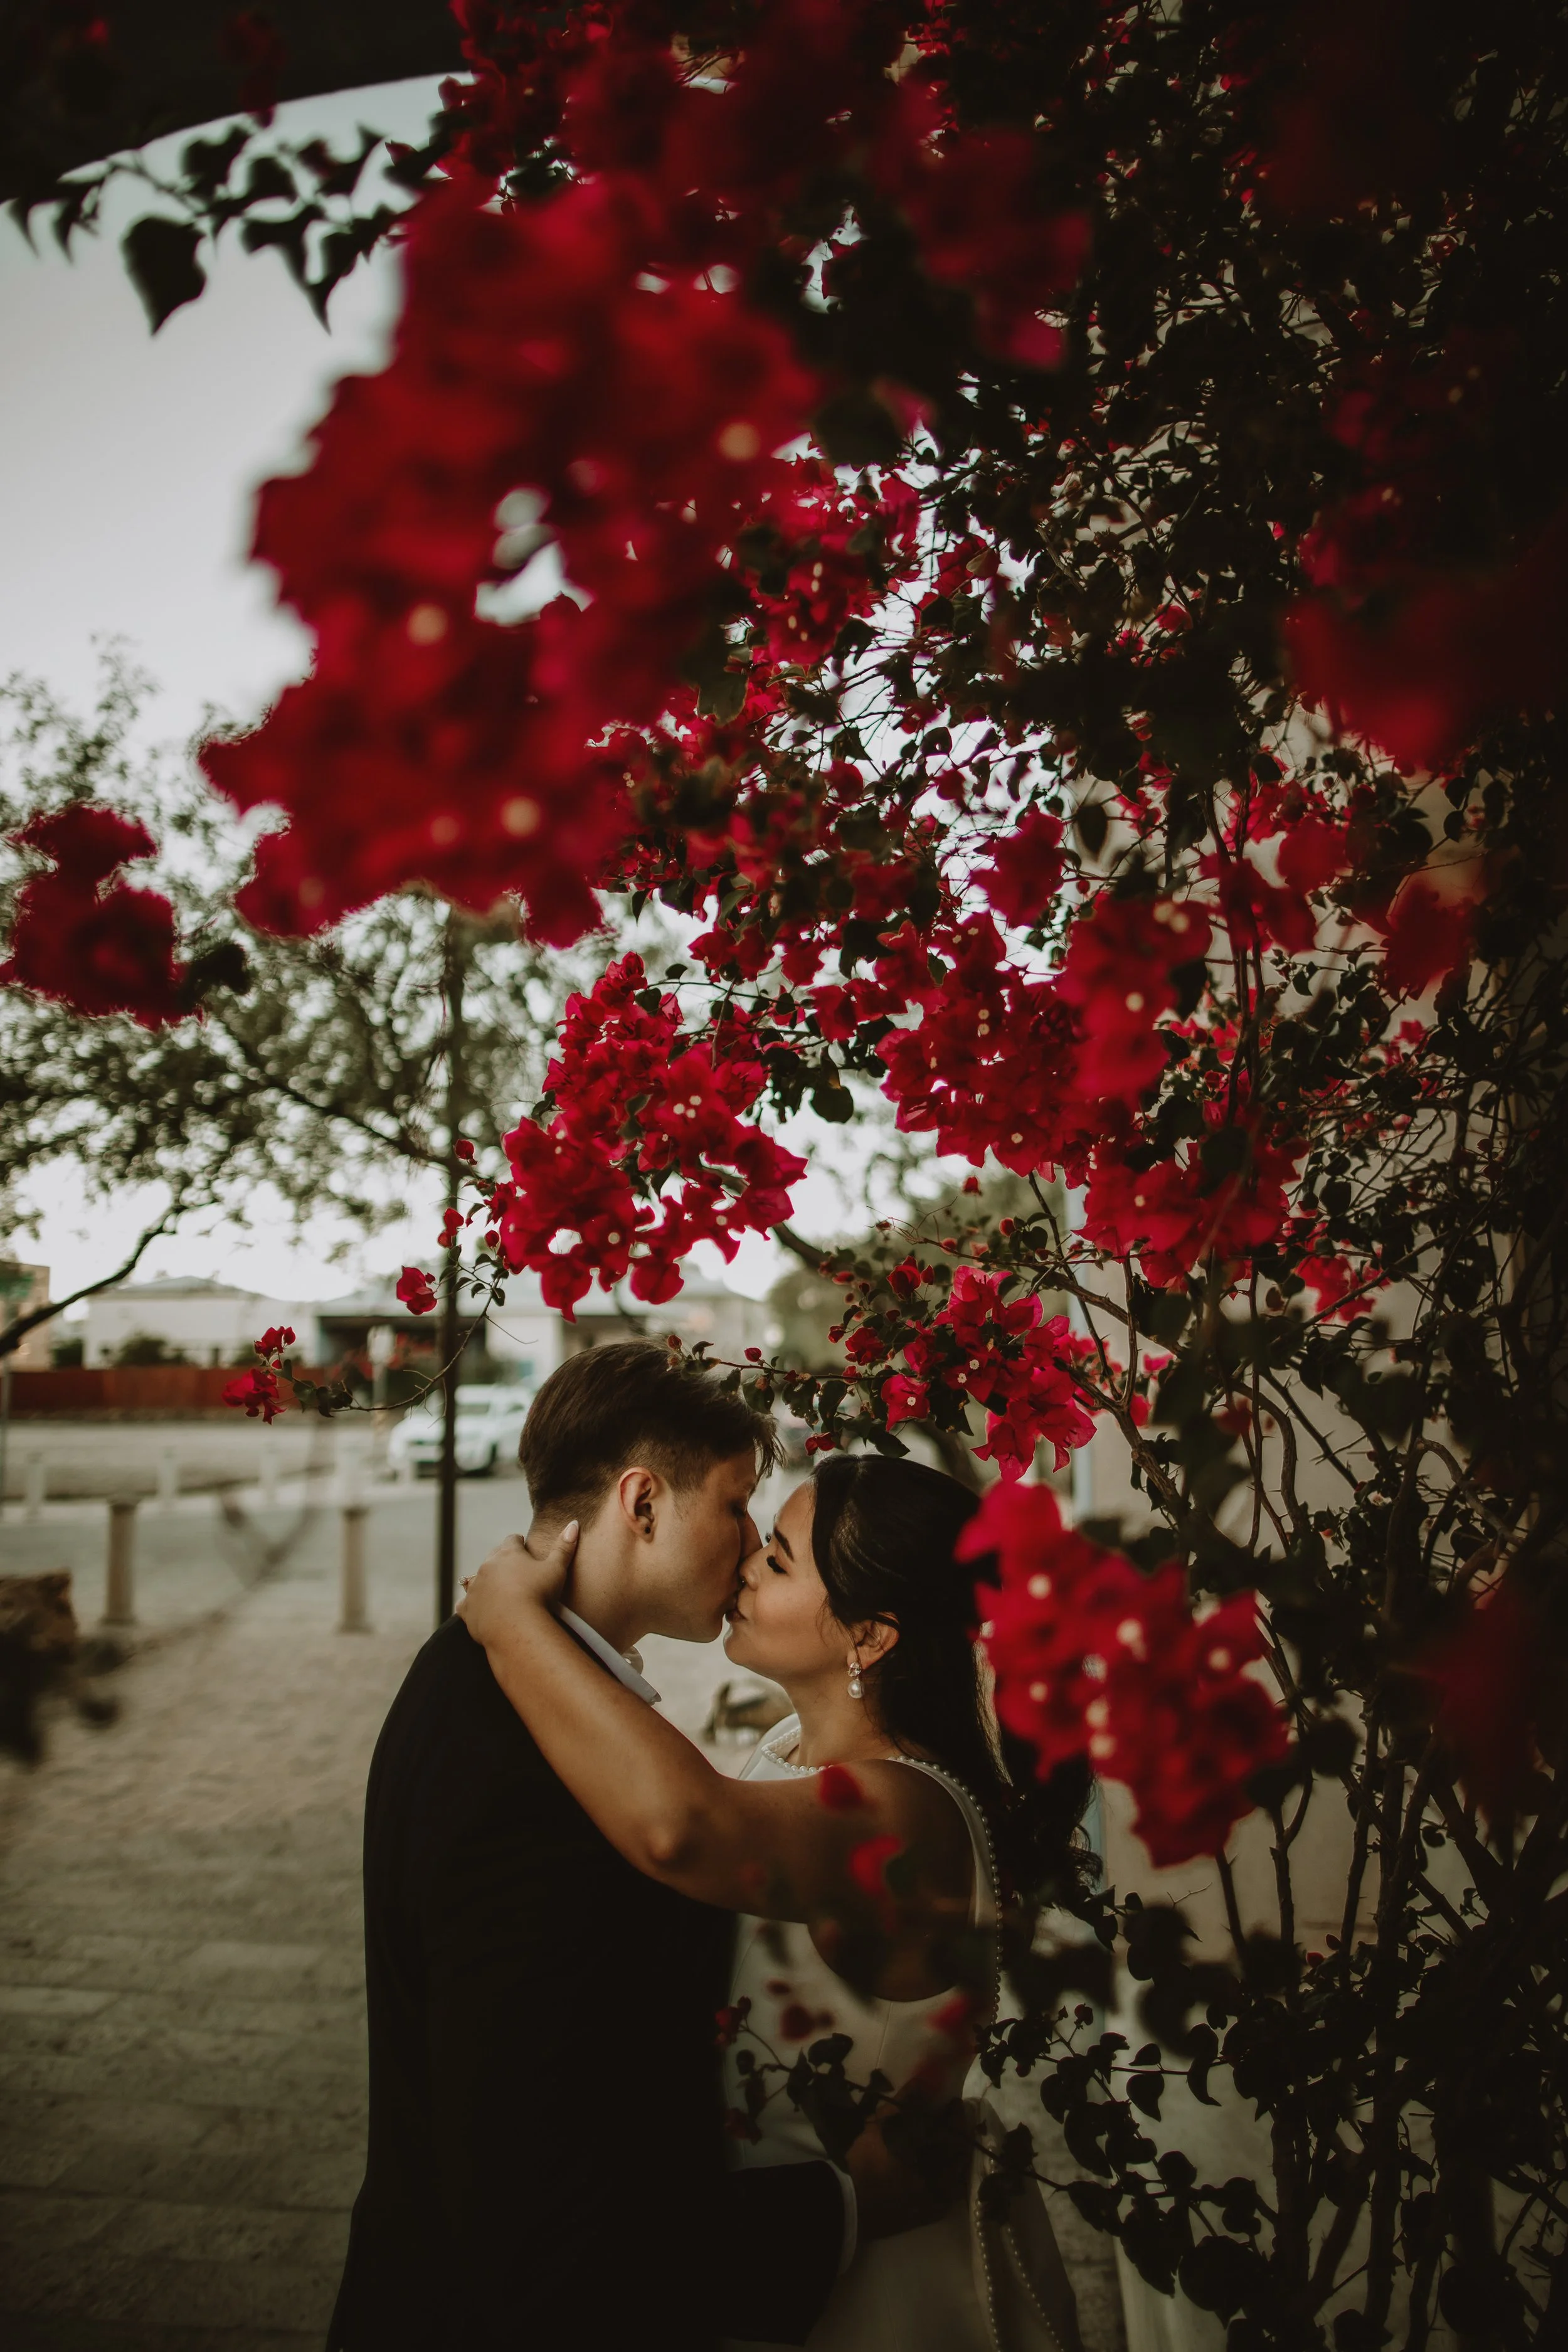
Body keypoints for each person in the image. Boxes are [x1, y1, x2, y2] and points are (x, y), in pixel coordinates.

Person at [459, 1446, 1088, 2352]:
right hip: (784, 2249)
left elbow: (683, 1826)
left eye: (781, 1560)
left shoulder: (899, 1812)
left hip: (867, 2286)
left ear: (869, 1635)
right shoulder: (805, 1748)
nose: (746, 1558)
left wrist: (515, 1624)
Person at [328, 1342, 872, 2352]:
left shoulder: (476, 1674)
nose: (751, 1543)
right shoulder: (516, 1761)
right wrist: (844, 2207)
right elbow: (538, 2191)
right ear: (643, 1502)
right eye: (734, 1501)